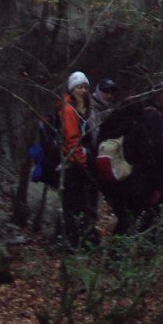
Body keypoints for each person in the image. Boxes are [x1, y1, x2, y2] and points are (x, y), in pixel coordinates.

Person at [113, 84, 163, 238]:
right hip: (145, 180)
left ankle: (119, 256)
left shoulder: (140, 115)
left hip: (133, 176)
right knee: (146, 220)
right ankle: (139, 256)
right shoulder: (153, 116)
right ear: (159, 96)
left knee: (131, 219)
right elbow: (155, 151)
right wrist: (158, 183)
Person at [59, 71, 98, 249]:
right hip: (72, 164)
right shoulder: (67, 109)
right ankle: (69, 242)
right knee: (71, 205)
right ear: (71, 89)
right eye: (79, 87)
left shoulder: (81, 109)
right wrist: (81, 164)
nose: (82, 91)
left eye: (84, 87)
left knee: (79, 204)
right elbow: (72, 139)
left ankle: (77, 239)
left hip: (79, 162)